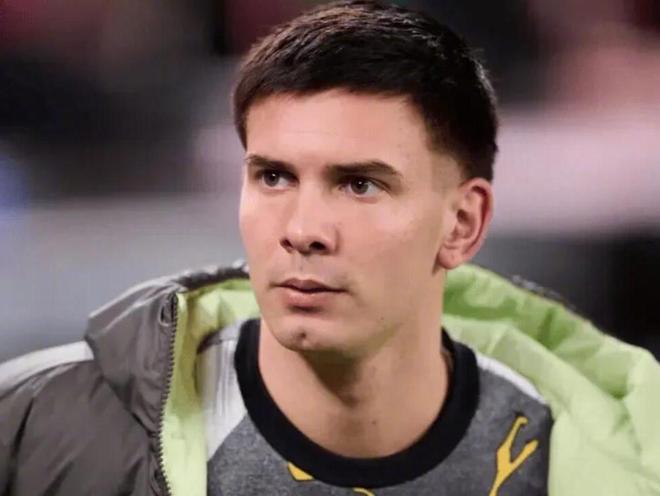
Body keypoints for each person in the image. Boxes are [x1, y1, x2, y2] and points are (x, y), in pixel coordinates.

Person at [1, 1, 659, 495]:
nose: (303, 229)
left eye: (359, 184)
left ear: (462, 224)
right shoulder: (36, 431)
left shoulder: (614, 456)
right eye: (274, 177)